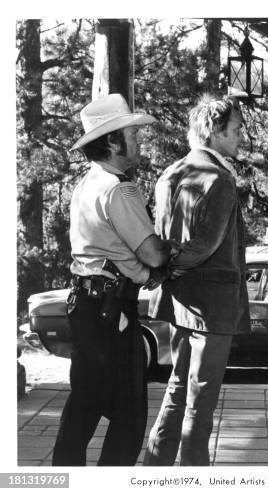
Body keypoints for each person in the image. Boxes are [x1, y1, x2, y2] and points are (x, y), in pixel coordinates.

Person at [52, 93, 172, 466]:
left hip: (89, 307)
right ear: (113, 142)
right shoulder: (119, 188)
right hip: (109, 314)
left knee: (84, 407)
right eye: (131, 135)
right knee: (129, 419)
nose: (138, 140)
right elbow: (152, 252)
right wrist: (173, 251)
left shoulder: (88, 182)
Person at [144, 94, 250, 466]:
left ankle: (155, 471)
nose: (241, 137)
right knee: (200, 402)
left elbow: (161, 238)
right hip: (211, 307)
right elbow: (204, 245)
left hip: (179, 301)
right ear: (213, 131)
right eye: (235, 130)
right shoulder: (219, 179)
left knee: (177, 388)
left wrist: (165, 268)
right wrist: (174, 264)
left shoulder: (169, 174)